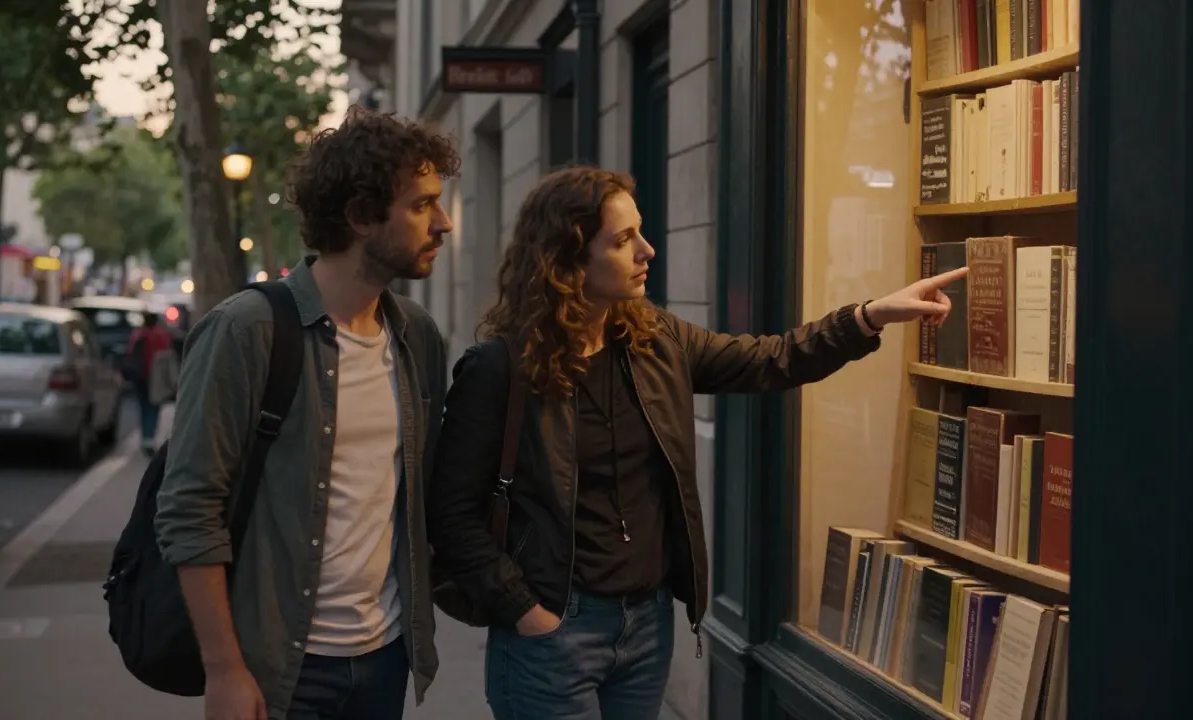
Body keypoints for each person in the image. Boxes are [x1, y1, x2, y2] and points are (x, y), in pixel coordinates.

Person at [427, 166, 966, 720]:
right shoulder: (500, 369)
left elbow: (770, 358)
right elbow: (452, 513)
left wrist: (868, 316)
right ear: (567, 260)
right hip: (553, 632)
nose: (647, 250)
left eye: (640, 231)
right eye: (622, 240)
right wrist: (523, 610)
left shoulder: (655, 340)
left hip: (645, 628)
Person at [154, 108, 458, 720]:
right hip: (280, 669)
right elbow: (190, 506)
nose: (444, 222)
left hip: (386, 656)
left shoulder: (416, 336)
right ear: (361, 217)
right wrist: (224, 670)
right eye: (423, 204)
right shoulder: (246, 331)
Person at [125, 311, 175, 455]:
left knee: (143, 407)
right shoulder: (161, 335)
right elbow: (167, 357)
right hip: (155, 378)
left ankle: (145, 437)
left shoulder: (137, 335)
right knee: (153, 407)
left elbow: (129, 354)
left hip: (139, 377)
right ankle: (149, 438)